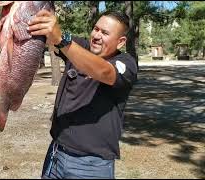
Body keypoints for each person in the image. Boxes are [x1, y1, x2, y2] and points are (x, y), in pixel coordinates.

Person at [28, 9, 138, 179]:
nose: (96, 35)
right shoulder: (79, 48)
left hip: (91, 166)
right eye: (96, 29)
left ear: (121, 42)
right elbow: (50, 36)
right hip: (56, 153)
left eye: (105, 33)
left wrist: (61, 40)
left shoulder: (126, 63)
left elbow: (104, 72)